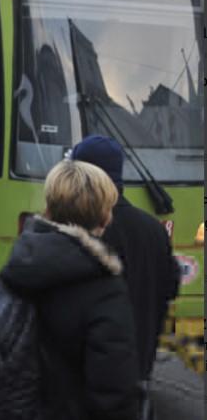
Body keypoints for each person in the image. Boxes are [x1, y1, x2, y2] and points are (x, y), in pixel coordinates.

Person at [0, 159, 139, 420]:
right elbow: (113, 393)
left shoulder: (21, 260)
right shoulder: (104, 290)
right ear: (104, 218)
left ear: (48, 207)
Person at [72, 136, 180, 393]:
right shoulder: (154, 230)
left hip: (86, 379)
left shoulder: (84, 230)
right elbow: (170, 287)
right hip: (137, 373)